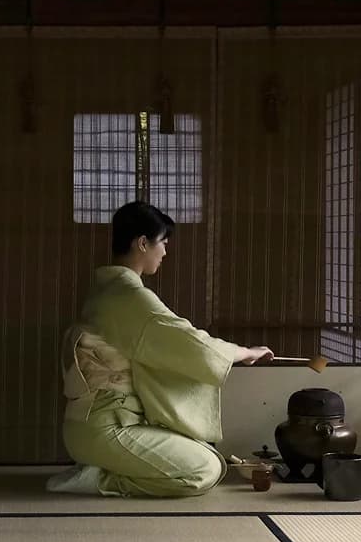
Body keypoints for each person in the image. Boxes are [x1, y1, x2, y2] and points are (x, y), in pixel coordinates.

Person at [47, 201, 273, 497]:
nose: (165, 252)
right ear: (143, 243)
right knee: (205, 469)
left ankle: (100, 468)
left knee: (202, 451)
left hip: (93, 425)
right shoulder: (128, 296)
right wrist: (244, 352)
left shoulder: (106, 291)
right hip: (106, 428)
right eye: (163, 243)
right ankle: (101, 479)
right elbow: (190, 342)